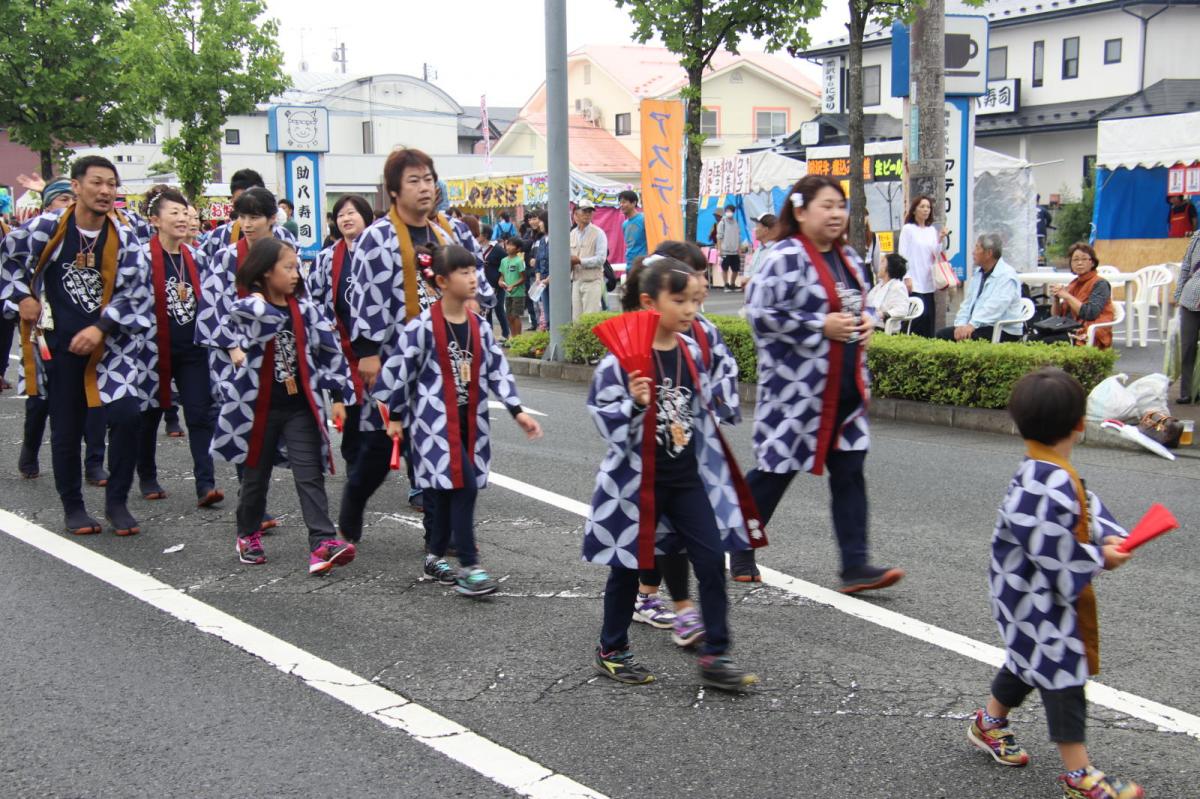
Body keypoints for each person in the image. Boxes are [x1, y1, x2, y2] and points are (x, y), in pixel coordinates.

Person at [586, 256, 762, 689]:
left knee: (710, 561)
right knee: (628, 566)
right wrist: (635, 403)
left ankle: (716, 655)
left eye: (693, 301)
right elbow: (603, 420)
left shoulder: (691, 352)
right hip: (636, 484)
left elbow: (702, 412)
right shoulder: (620, 362)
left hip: (686, 480)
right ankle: (612, 649)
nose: (689, 310)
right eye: (679, 300)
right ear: (649, 302)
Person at [966, 368, 1142, 799]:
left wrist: (1106, 534)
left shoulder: (1047, 470)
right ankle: (1079, 774)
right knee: (1062, 672)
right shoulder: (1048, 480)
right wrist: (1102, 557)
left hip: (1023, 592)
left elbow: (1084, 506)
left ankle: (988, 722)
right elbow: (1052, 550)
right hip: (1033, 596)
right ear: (1080, 423)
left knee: (1027, 659)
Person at [733, 175, 903, 592]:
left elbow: (858, 307)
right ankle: (739, 542)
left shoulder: (847, 257)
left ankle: (856, 565)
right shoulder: (782, 257)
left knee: (850, 473)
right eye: (826, 205)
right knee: (775, 472)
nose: (835, 214)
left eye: (840, 206)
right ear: (801, 210)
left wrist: (866, 322)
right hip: (796, 394)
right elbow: (757, 314)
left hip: (844, 391)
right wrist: (817, 325)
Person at [346, 147, 494, 539]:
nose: (425, 187)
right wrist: (368, 352)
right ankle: (355, 498)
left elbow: (478, 277)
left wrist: (476, 300)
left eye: (428, 178)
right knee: (380, 449)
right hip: (396, 355)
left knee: (443, 445)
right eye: (414, 181)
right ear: (394, 191)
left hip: (444, 361)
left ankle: (439, 540)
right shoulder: (376, 237)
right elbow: (365, 295)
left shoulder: (453, 231)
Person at [380, 243, 542, 596]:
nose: (473, 279)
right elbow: (403, 373)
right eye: (464, 272)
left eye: (474, 271)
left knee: (446, 492)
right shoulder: (422, 327)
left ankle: (434, 556)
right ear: (441, 280)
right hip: (434, 427)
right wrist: (395, 415)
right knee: (463, 487)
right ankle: (470, 567)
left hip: (471, 423)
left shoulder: (479, 327)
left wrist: (518, 411)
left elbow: (498, 372)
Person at [0, 155, 150, 536]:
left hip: (111, 347)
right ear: (76, 186)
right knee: (66, 427)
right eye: (97, 182)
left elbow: (135, 291)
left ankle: (117, 501)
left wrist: (101, 327)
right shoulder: (46, 227)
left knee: (128, 415)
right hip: (59, 344)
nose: (104, 191)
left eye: (111, 184)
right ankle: (74, 507)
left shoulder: (126, 237)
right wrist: (23, 298)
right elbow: (9, 260)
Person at [620, 242, 742, 646]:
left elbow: (722, 369)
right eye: (694, 279)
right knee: (659, 537)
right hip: (651, 462)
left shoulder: (700, 331)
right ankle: (663, 607)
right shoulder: (638, 338)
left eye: (703, 278)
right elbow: (608, 407)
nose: (702, 287)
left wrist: (719, 402)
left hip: (693, 448)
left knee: (698, 542)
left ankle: (712, 642)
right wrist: (633, 406)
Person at [219, 237, 357, 574]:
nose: (296, 274)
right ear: (266, 272)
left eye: (297, 267)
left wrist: (339, 397)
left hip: (300, 406)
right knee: (255, 477)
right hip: (257, 409)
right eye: (288, 267)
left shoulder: (306, 310)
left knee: (309, 475)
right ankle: (247, 533)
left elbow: (330, 353)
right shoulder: (249, 308)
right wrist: (257, 298)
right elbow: (233, 323)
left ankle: (322, 543)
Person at [134, 186, 223, 507]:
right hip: (151, 350)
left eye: (185, 213)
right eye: (174, 213)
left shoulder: (197, 257)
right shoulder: (140, 256)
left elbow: (212, 303)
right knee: (149, 415)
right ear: (155, 220)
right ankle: (146, 474)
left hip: (194, 351)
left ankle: (206, 484)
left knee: (201, 415)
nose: (183, 218)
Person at [307, 193, 373, 471]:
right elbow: (311, 297)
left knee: (390, 407)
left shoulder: (382, 251)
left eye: (352, 212)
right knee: (351, 407)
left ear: (366, 218)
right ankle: (356, 461)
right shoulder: (326, 258)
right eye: (341, 214)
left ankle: (411, 474)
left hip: (381, 346)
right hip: (343, 345)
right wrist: (323, 321)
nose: (346, 218)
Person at [936, 234, 1024, 342]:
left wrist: (972, 325)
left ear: (989, 253)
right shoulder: (979, 273)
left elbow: (994, 308)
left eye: (977, 248)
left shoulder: (1006, 276)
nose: (973, 252)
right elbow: (968, 304)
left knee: (969, 338)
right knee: (942, 335)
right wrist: (960, 325)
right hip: (979, 325)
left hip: (1002, 329)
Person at [201, 168, 297, 261]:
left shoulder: (284, 236)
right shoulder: (219, 235)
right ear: (233, 200)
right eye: (241, 199)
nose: (246, 205)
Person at [1046, 242, 1115, 348]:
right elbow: (1056, 317)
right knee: (1034, 337)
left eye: (1084, 259)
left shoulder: (1100, 284)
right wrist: (1056, 299)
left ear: (1092, 263)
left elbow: (1090, 314)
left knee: (1042, 341)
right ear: (1071, 264)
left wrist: (1067, 296)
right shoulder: (1074, 284)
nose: (1079, 263)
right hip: (1067, 328)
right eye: (1075, 260)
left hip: (1088, 332)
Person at [898, 195, 948, 337]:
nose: (926, 210)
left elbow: (935, 254)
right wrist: (906, 277)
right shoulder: (908, 229)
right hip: (914, 281)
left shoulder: (931, 231)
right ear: (914, 210)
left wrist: (940, 240)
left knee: (928, 320)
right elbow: (902, 254)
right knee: (916, 319)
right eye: (922, 207)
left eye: (928, 207)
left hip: (928, 282)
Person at [1173, 229, 1200, 404]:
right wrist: (1178, 295)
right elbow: (1185, 266)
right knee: (1187, 347)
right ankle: (1186, 392)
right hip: (1190, 299)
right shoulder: (1197, 236)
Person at [569, 200, 607, 319]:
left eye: (590, 211)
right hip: (576, 281)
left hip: (592, 281)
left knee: (590, 318)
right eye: (585, 211)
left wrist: (580, 261)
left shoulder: (599, 233)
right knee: (576, 320)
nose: (588, 214)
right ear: (575, 214)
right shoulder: (571, 234)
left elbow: (601, 259)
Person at [866, 254, 911, 331]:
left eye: (882, 262)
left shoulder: (898, 286)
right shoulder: (879, 285)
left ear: (889, 268)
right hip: (870, 324)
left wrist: (883, 314)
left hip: (883, 328)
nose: (879, 265)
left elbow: (902, 309)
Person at [480, 225, 510, 340]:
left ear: (485, 235)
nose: (476, 235)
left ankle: (506, 334)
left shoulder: (497, 249)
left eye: (479, 233)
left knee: (498, 309)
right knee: (485, 310)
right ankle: (489, 334)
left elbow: (506, 264)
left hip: (497, 284)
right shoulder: (476, 248)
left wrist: (501, 279)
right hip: (483, 284)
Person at [498, 237, 527, 337]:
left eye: (512, 245)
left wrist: (513, 286)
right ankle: (513, 338)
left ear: (518, 249)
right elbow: (502, 275)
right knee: (509, 316)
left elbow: (523, 278)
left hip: (518, 293)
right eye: (508, 244)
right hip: (508, 293)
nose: (508, 247)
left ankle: (518, 338)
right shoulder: (503, 261)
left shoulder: (519, 261)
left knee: (515, 316)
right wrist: (500, 281)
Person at [715, 204, 743, 292]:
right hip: (725, 250)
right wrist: (719, 250)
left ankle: (732, 284)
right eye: (727, 211)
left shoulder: (736, 222)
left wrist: (739, 249)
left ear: (733, 212)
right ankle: (726, 285)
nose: (728, 213)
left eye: (730, 211)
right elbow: (719, 237)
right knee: (725, 268)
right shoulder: (722, 223)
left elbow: (738, 236)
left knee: (736, 269)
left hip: (734, 250)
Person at [744, 214, 777, 284]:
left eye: (757, 226)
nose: (754, 230)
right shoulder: (759, 249)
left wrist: (750, 280)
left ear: (765, 230)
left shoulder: (775, 251)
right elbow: (751, 269)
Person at [618, 190, 646, 264]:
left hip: (643, 264)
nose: (621, 205)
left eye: (624, 202)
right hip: (630, 263)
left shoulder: (644, 219)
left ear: (634, 203)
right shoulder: (625, 224)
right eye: (620, 202)